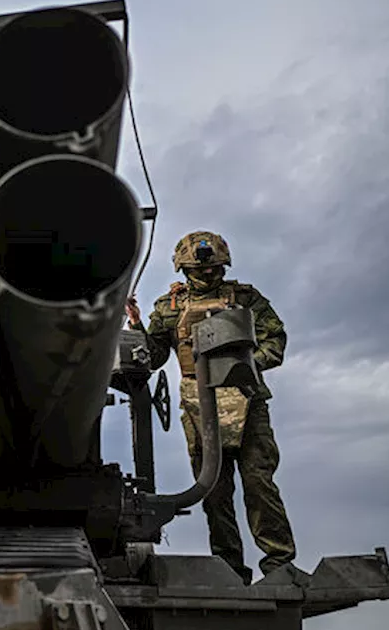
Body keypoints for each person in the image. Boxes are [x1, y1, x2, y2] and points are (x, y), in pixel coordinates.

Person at [125, 231, 297, 584]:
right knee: (214, 494)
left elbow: (275, 339)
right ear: (184, 269)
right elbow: (154, 356)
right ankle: (231, 573)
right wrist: (137, 325)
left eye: (215, 268)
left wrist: (249, 365)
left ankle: (280, 567)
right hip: (200, 409)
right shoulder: (169, 308)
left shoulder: (246, 299)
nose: (208, 274)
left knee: (259, 486)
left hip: (248, 403)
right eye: (200, 269)